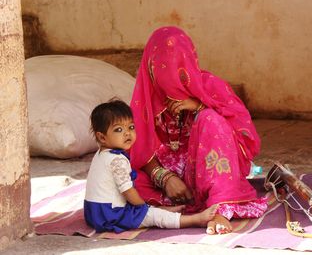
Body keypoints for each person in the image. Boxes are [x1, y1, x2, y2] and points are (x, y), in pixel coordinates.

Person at [129, 26, 268, 235]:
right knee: (117, 167)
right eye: (162, 68)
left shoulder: (209, 86)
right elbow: (136, 147)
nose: (170, 77)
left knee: (211, 119)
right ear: (150, 67)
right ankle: (169, 210)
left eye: (177, 66)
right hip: (165, 181)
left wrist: (199, 106)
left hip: (206, 174)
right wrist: (164, 177)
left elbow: (246, 135)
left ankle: (220, 207)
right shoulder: (145, 97)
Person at [84, 99, 218, 233]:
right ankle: (195, 219)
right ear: (102, 138)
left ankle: (164, 210)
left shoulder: (101, 154)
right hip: (111, 215)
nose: (127, 133)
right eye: (118, 129)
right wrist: (144, 208)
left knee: (142, 203)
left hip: (93, 213)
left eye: (131, 127)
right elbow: (128, 191)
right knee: (153, 216)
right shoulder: (117, 160)